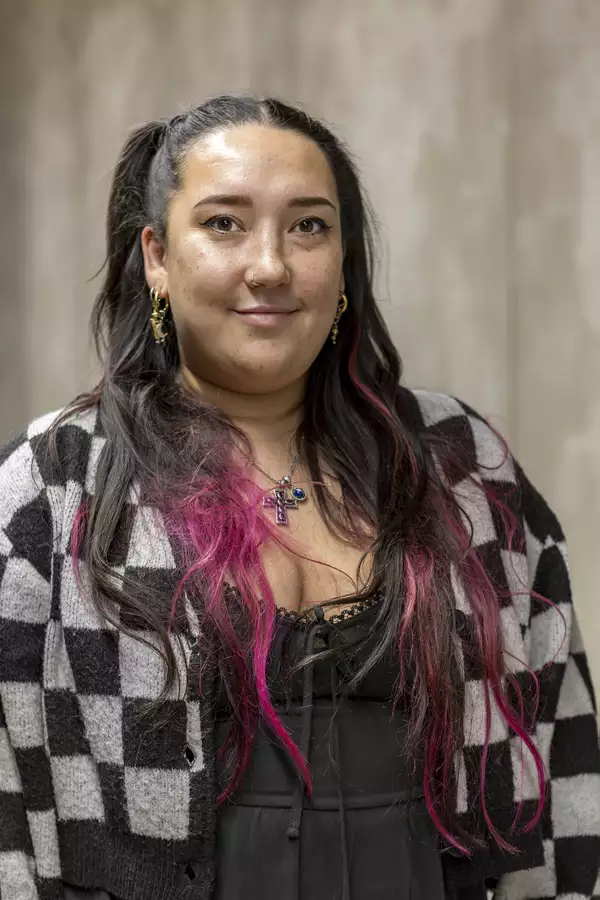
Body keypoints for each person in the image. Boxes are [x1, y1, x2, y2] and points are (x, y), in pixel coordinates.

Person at [0, 95, 598, 900]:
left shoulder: (461, 465)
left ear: (344, 262)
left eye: (309, 226)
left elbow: (564, 747)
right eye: (223, 223)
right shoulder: (51, 485)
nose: (271, 265)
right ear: (155, 258)